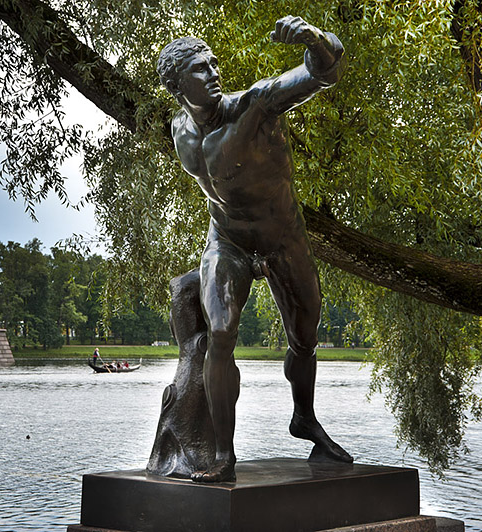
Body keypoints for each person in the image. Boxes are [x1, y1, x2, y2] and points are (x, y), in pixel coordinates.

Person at [157, 15, 352, 483]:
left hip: (282, 236)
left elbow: (324, 72)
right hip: (227, 241)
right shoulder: (179, 128)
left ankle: (303, 416)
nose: (213, 73)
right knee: (220, 334)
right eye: (200, 70)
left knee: (305, 337)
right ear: (178, 86)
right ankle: (224, 455)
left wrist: (313, 38)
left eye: (213, 64)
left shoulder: (255, 106)